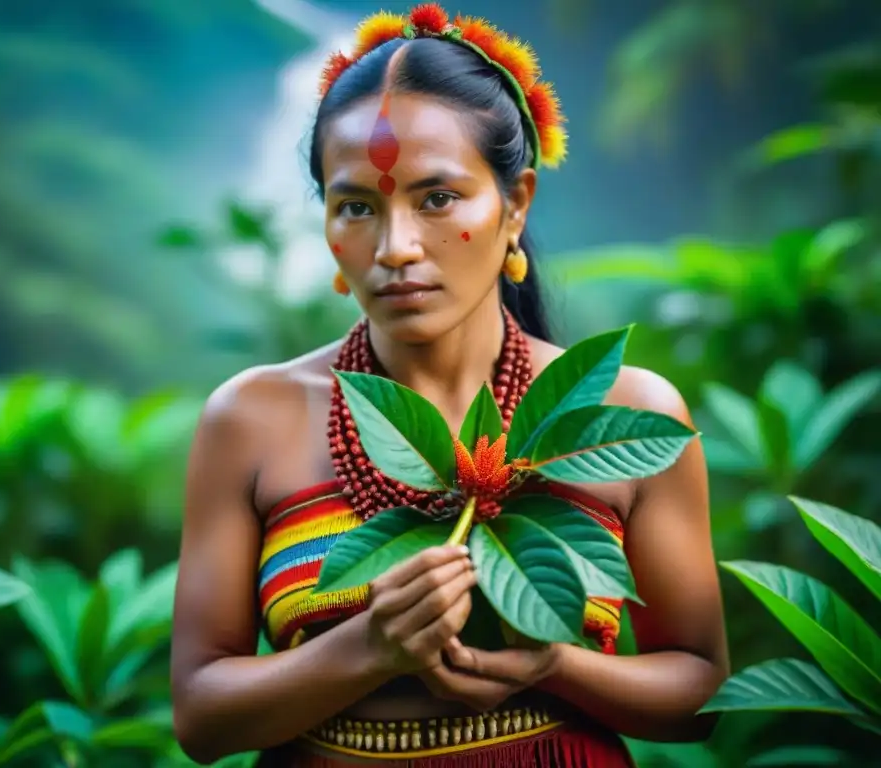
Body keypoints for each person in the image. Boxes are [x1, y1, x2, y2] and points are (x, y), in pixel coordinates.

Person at [170, 4, 730, 766]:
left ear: (516, 203)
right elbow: (201, 719)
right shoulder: (250, 419)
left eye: (437, 198)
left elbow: (701, 696)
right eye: (357, 207)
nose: (396, 247)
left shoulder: (627, 415)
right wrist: (370, 646)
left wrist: (554, 664)